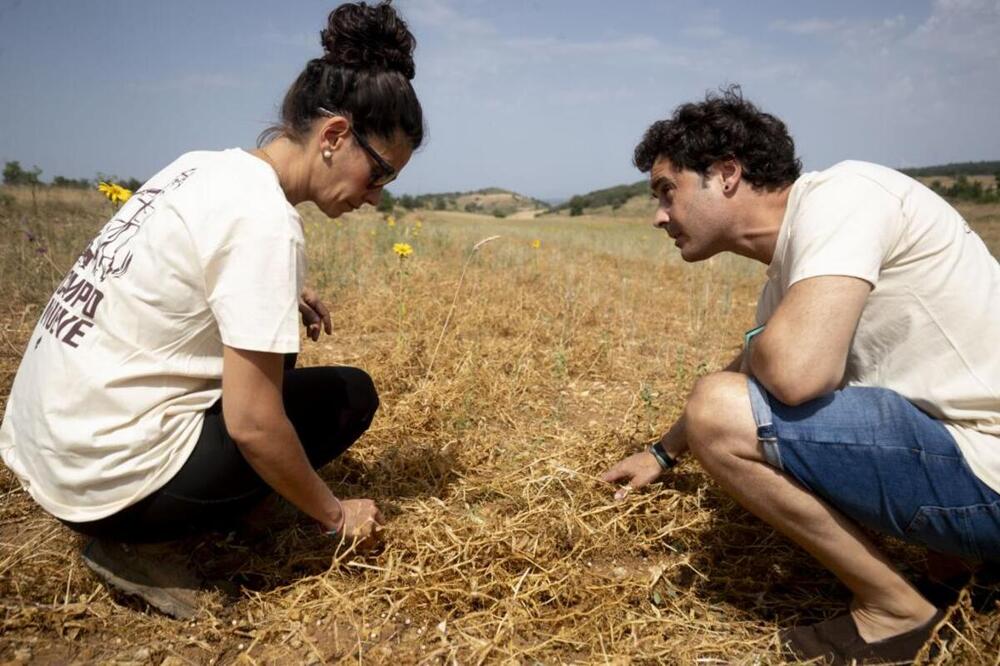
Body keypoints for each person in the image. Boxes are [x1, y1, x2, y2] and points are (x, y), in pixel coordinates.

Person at [0, 1, 423, 618]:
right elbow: (252, 423)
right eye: (378, 174)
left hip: (49, 446)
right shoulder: (265, 224)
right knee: (348, 398)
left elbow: (163, 268)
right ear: (334, 136)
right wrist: (335, 514)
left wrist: (278, 293)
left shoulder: (200, 167)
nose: (375, 197)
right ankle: (136, 547)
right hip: (105, 486)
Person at [601, 87, 999, 665]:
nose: (658, 215)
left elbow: (793, 374)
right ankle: (961, 568)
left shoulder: (845, 195)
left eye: (668, 190)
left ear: (728, 173)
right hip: (969, 461)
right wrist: (663, 454)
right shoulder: (797, 258)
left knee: (720, 408)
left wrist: (764, 347)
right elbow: (755, 360)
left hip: (986, 472)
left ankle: (896, 611)